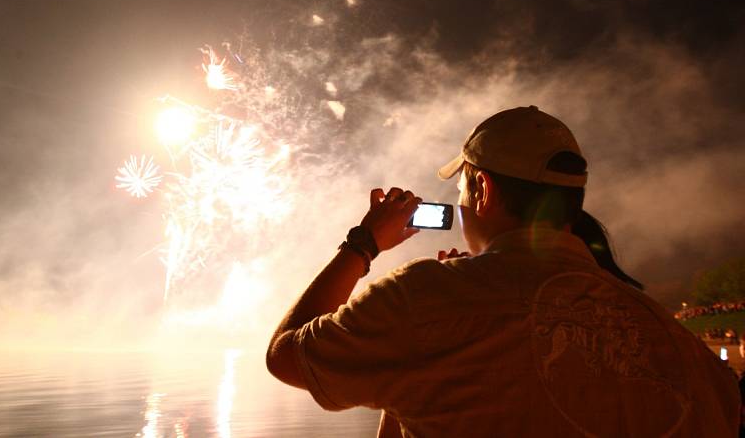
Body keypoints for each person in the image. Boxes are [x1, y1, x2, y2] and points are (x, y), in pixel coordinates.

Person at [266, 106, 739, 437]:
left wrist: (363, 244)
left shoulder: (423, 300)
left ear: (484, 190)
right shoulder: (673, 338)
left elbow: (287, 355)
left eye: (463, 190)